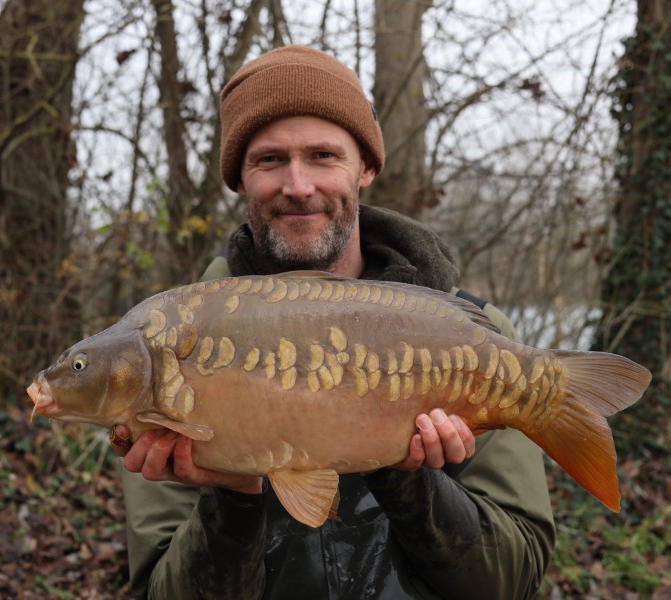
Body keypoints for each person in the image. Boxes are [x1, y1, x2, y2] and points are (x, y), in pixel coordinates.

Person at [111, 45, 555, 600]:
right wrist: (233, 493)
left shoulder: (478, 339)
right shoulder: (167, 349)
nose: (298, 185)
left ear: (365, 167)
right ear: (240, 179)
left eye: (323, 155)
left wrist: (408, 475)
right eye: (269, 160)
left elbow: (513, 581)